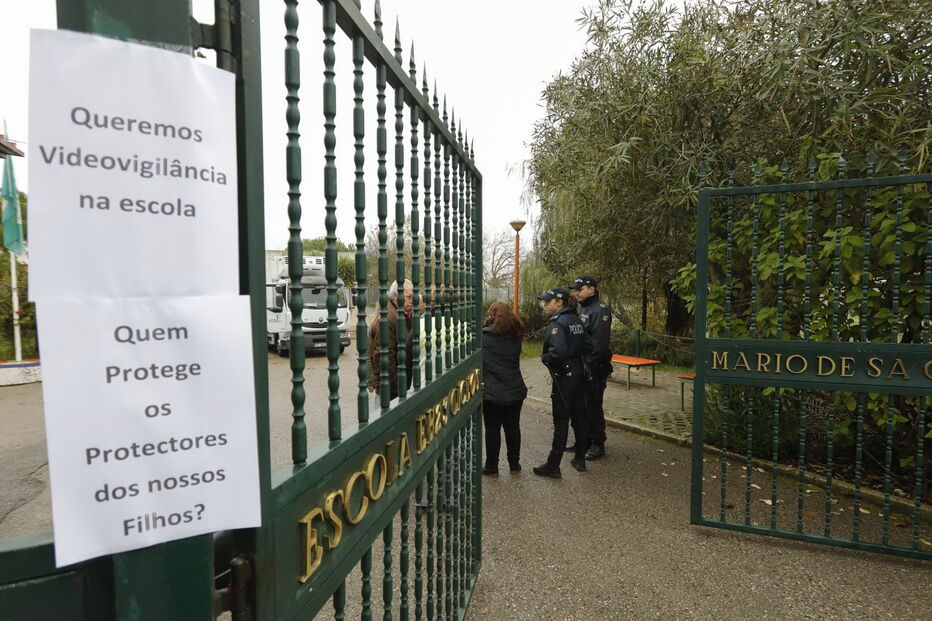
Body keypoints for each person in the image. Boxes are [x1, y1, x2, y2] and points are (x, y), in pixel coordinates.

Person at [533, 287, 589, 479]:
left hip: (565, 377)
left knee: (562, 419)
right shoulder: (577, 319)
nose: (546, 304)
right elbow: (588, 345)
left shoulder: (559, 322)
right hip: (579, 373)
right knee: (579, 417)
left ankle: (553, 464)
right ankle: (580, 458)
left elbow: (557, 352)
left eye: (549, 301)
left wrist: (544, 357)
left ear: (560, 302)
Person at [569, 275, 613, 460]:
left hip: (593, 368)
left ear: (591, 289)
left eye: (580, 289)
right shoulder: (581, 309)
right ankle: (583, 440)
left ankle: (597, 443)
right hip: (580, 365)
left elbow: (599, 344)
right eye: (575, 290)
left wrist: (588, 365)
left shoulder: (600, 311)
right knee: (580, 406)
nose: (576, 293)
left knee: (593, 405)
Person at [481, 301, 528, 476]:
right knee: (513, 427)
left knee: (492, 428)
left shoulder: (483, 338)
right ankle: (514, 464)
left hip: (492, 391)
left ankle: (492, 466)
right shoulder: (516, 337)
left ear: (491, 315)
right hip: (515, 388)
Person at [368, 278, 414, 401]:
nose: (412, 301)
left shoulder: (401, 313)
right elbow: (385, 356)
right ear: (395, 296)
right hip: (392, 389)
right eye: (409, 297)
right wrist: (398, 387)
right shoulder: (388, 318)